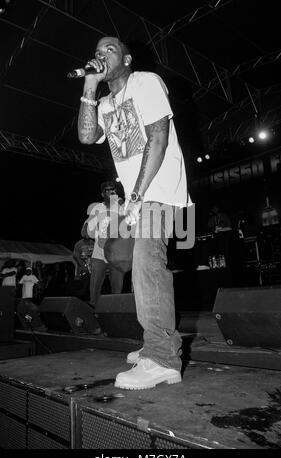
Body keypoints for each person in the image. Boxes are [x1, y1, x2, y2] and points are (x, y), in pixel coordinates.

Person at [78, 36, 188, 390]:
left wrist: (136, 196)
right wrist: (90, 87)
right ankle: (155, 344)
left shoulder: (146, 82)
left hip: (159, 191)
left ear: (126, 58)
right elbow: (85, 134)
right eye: (96, 51)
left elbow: (158, 139)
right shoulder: (107, 104)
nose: (100, 54)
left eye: (108, 49)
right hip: (140, 198)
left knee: (146, 266)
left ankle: (163, 359)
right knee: (144, 268)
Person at [86, 180, 125, 308]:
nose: (111, 191)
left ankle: (115, 312)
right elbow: (90, 231)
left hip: (116, 255)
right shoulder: (97, 208)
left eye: (112, 189)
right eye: (107, 190)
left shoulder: (121, 207)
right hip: (99, 254)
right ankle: (94, 311)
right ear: (102, 193)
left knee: (116, 287)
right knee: (95, 286)